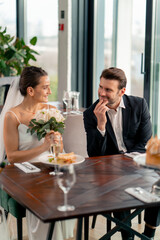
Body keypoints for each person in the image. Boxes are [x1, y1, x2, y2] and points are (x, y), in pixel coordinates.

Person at [83, 67, 160, 240]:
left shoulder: (139, 105)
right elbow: (93, 155)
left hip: (136, 164)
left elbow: (145, 143)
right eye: (100, 87)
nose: (102, 93)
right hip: (109, 172)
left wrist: (128, 163)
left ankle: (149, 234)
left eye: (108, 90)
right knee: (117, 183)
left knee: (159, 181)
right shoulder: (90, 114)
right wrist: (101, 125)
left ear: (122, 91)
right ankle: (128, 235)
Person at [0, 66, 75, 240]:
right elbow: (11, 157)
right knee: (46, 196)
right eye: (45, 87)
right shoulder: (13, 116)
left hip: (50, 168)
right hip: (23, 172)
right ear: (31, 90)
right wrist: (43, 147)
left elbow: (59, 148)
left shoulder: (51, 111)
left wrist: (57, 141)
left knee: (71, 188)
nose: (50, 91)